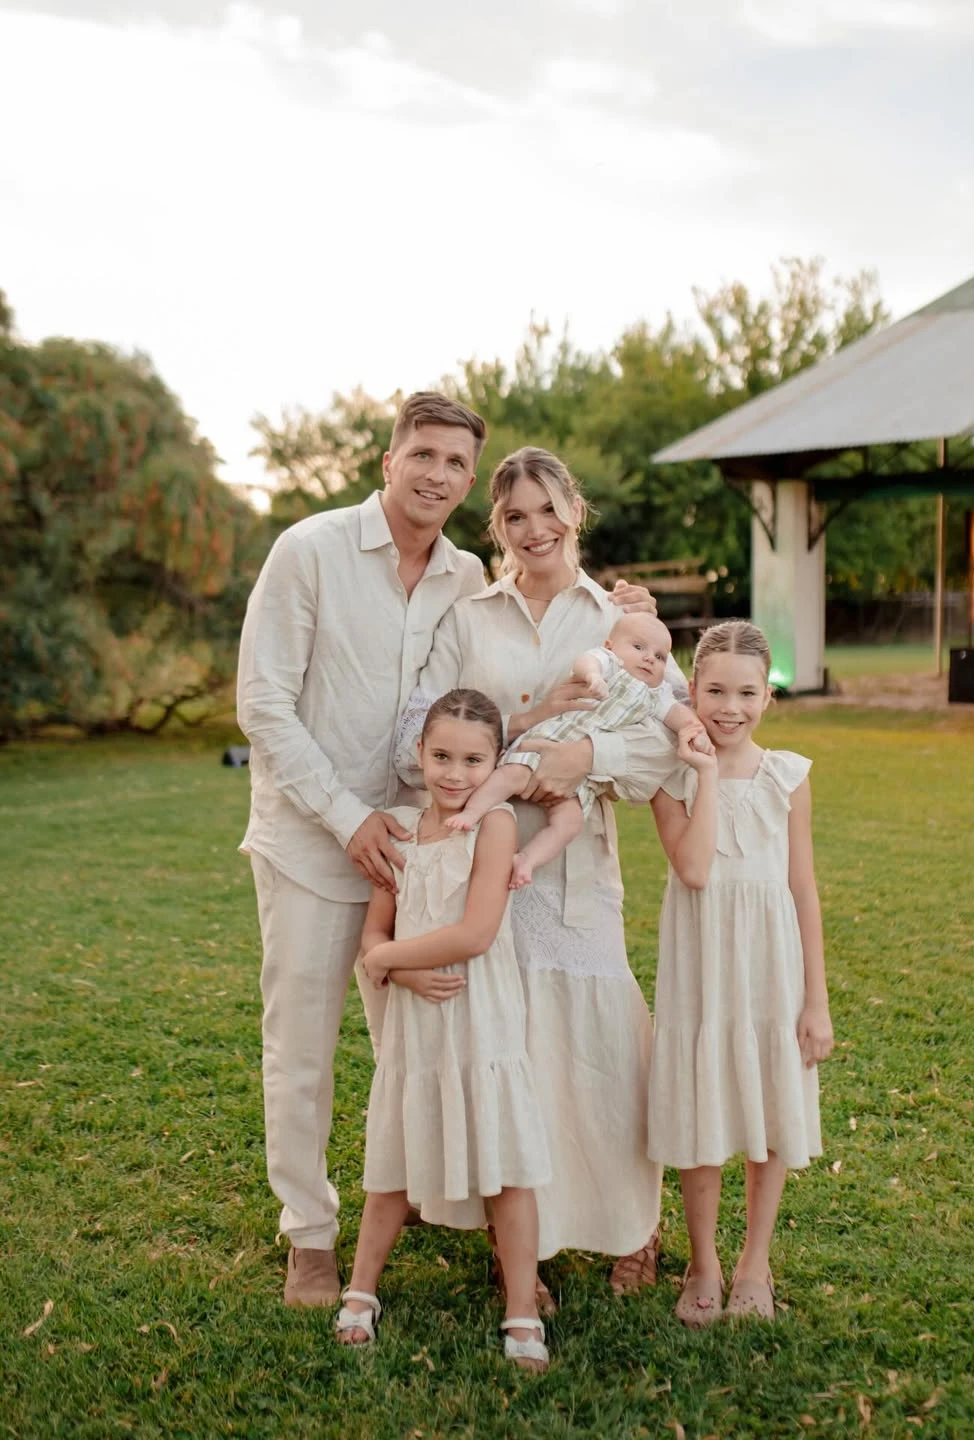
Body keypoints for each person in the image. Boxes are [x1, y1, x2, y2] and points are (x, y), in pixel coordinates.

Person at [236, 396, 652, 1308]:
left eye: (456, 463)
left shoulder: (465, 576)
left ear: (471, 481)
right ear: (389, 459)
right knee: (302, 1046)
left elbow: (500, 682)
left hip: (428, 849)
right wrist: (349, 818)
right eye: (422, 454)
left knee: (424, 1037)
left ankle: (430, 1190)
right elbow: (261, 705)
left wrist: (626, 621)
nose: (437, 474)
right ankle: (309, 1235)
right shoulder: (308, 552)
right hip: (318, 839)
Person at [394, 446, 682, 1301]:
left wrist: (586, 753)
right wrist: (518, 734)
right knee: (506, 1048)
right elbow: (422, 730)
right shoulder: (469, 617)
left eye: (548, 509)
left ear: (575, 510)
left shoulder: (615, 617)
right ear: (499, 526)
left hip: (575, 867)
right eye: (515, 516)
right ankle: (519, 1240)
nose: (534, 529)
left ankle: (638, 1222)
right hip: (480, 866)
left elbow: (664, 738)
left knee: (602, 1046)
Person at [337, 689, 551, 1372]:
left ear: (496, 763)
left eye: (472, 760)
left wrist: (386, 960)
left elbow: (476, 932)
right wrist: (393, 969)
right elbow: (374, 928)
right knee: (394, 1160)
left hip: (481, 1017)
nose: (455, 775)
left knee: (507, 1165)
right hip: (418, 1026)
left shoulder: (495, 827)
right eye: (441, 757)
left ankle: (522, 1311)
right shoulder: (398, 830)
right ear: (420, 756)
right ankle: (361, 1292)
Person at [648, 620, 834, 1327]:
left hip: (769, 964)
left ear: (768, 699)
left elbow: (802, 887)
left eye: (747, 693)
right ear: (691, 689)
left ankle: (755, 1261)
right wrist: (698, 771)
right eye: (716, 690)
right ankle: (704, 1261)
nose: (730, 707)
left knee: (767, 1100)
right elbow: (693, 871)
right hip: (701, 962)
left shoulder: (788, 775)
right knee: (703, 1101)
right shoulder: (667, 777)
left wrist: (815, 1000)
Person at [443, 613, 708, 888]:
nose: (649, 658)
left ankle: (527, 859)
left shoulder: (657, 695)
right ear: (610, 646)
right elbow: (586, 661)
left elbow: (679, 716)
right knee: (511, 775)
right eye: (639, 647)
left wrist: (695, 733)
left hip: (581, 781)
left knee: (569, 823)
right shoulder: (609, 665)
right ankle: (472, 813)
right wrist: (593, 675)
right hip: (549, 742)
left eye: (660, 656)